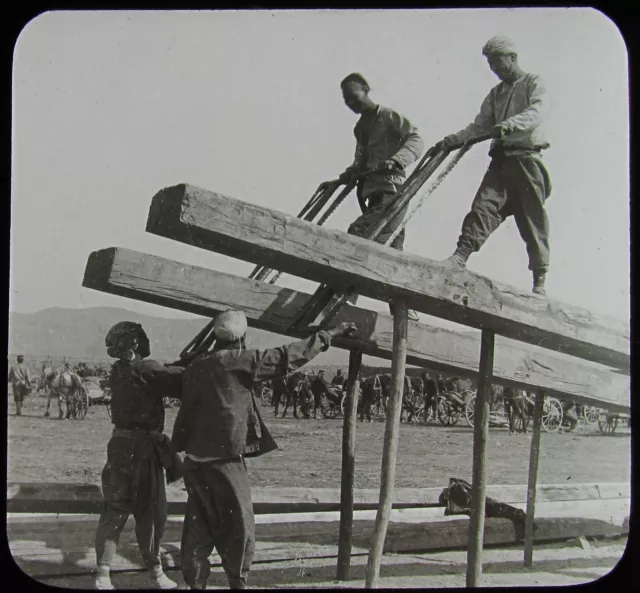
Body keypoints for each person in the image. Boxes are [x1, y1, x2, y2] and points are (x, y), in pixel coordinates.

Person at [172, 309, 356, 590]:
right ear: (242, 337)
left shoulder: (197, 364)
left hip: (195, 461)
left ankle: (195, 584)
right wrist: (329, 334)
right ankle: (238, 582)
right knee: (240, 527)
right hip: (226, 462)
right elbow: (289, 356)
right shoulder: (240, 361)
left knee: (197, 528)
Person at [436, 36, 552, 296]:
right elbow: (480, 126)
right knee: (483, 208)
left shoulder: (534, 83)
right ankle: (460, 257)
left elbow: (538, 111)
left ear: (512, 58)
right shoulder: (496, 94)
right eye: (490, 64)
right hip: (501, 161)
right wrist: (454, 140)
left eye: (498, 62)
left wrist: (511, 124)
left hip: (526, 161)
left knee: (531, 221)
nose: (495, 69)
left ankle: (539, 281)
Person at [94, 321, 184, 590]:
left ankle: (102, 574)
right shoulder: (147, 368)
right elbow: (178, 380)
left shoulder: (117, 370)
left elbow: (155, 374)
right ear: (135, 344)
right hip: (144, 449)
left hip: (119, 445)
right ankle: (155, 572)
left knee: (115, 508)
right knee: (151, 511)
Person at [329, 73, 425, 320]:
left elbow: (415, 138)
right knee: (392, 248)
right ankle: (403, 306)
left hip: (392, 192)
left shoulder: (388, 116)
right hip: (373, 194)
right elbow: (360, 160)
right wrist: (348, 174)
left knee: (360, 235)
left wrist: (396, 160)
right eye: (346, 100)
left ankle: (347, 295)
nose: (351, 103)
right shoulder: (360, 128)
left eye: (354, 96)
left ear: (366, 89)